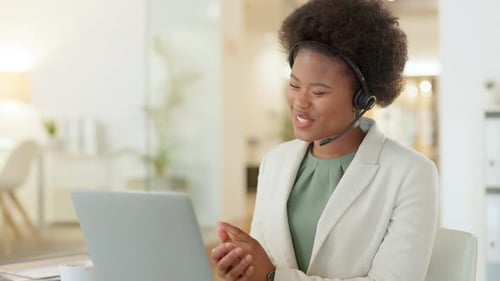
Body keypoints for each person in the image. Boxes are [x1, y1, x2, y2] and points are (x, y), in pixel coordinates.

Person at [211, 0, 439, 280]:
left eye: (318, 93)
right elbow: (266, 260)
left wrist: (272, 277)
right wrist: (244, 266)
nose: (300, 103)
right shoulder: (276, 161)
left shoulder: (411, 173)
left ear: (362, 100)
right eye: (294, 85)